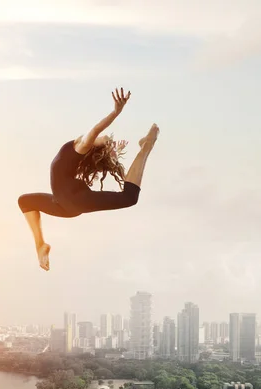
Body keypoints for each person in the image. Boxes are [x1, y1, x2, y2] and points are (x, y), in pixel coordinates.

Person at [18, 87, 159, 271]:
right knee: (25, 201)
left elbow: (96, 133)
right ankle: (40, 245)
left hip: (67, 204)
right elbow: (95, 132)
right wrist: (114, 114)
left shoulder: (77, 149)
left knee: (25, 201)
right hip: (69, 203)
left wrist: (114, 118)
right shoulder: (79, 146)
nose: (105, 140)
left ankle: (146, 147)